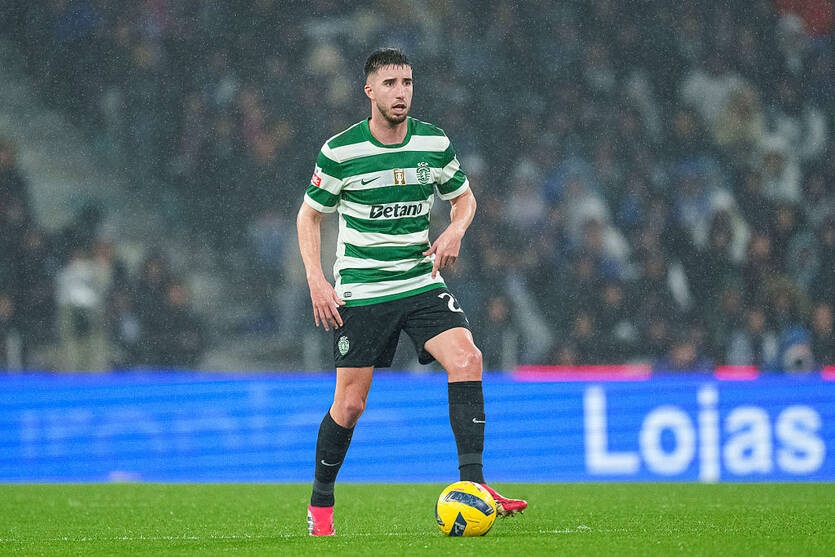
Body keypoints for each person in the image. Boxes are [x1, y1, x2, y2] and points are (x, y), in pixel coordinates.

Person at [296, 48, 527, 537]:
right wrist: (317, 279)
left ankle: (476, 487)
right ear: (369, 91)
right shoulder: (341, 151)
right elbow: (309, 215)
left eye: (407, 83)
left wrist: (455, 229)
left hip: (420, 282)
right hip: (363, 289)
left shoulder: (433, 142)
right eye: (390, 84)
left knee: (467, 358)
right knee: (350, 406)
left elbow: (464, 198)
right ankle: (321, 505)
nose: (401, 92)